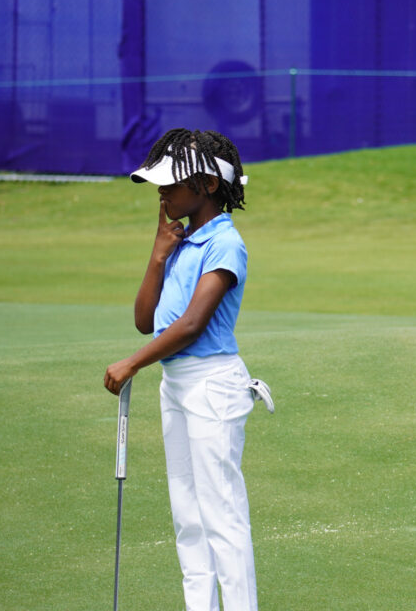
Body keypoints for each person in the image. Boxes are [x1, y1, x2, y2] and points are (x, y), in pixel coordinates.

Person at [104, 128, 272, 611]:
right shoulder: (180, 243)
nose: (162, 193)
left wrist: (133, 364)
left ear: (209, 186)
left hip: (213, 386)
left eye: (172, 184)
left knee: (222, 515)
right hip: (176, 386)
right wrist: (158, 254)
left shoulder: (225, 244)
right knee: (188, 516)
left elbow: (193, 324)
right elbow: (144, 321)